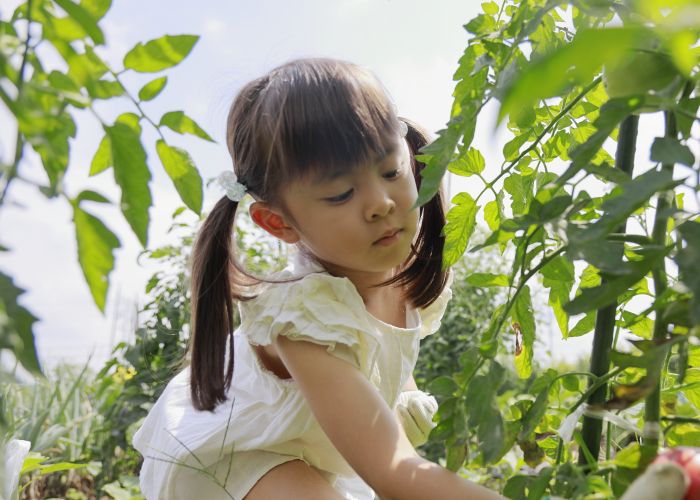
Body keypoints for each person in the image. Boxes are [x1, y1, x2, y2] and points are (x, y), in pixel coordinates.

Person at [132, 57, 503, 500]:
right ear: (277, 222)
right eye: (341, 194)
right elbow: (396, 474)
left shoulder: (399, 270)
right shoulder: (304, 321)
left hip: (305, 452)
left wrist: (402, 393)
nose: (380, 203)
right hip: (236, 454)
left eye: (391, 170)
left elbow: (379, 350)